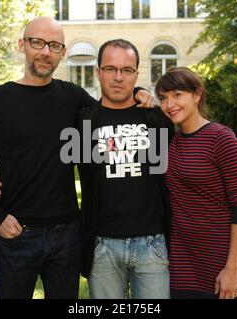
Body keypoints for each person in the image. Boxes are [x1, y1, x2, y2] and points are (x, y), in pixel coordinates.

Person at [0, 17, 153, 299]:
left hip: (66, 236)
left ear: (63, 53)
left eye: (54, 45)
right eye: (37, 42)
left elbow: (112, 112)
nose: (45, 51)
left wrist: (138, 91)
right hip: (17, 234)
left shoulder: (73, 97)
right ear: (22, 45)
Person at [77, 39, 174, 299]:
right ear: (98, 72)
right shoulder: (83, 121)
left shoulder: (157, 120)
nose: (118, 77)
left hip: (152, 242)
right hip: (102, 246)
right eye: (110, 68)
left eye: (126, 70)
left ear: (136, 74)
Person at [155, 67, 237, 299]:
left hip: (220, 263)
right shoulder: (168, 142)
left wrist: (232, 268)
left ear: (197, 95)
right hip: (181, 264)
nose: (170, 104)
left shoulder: (221, 138)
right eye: (163, 98)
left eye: (177, 95)